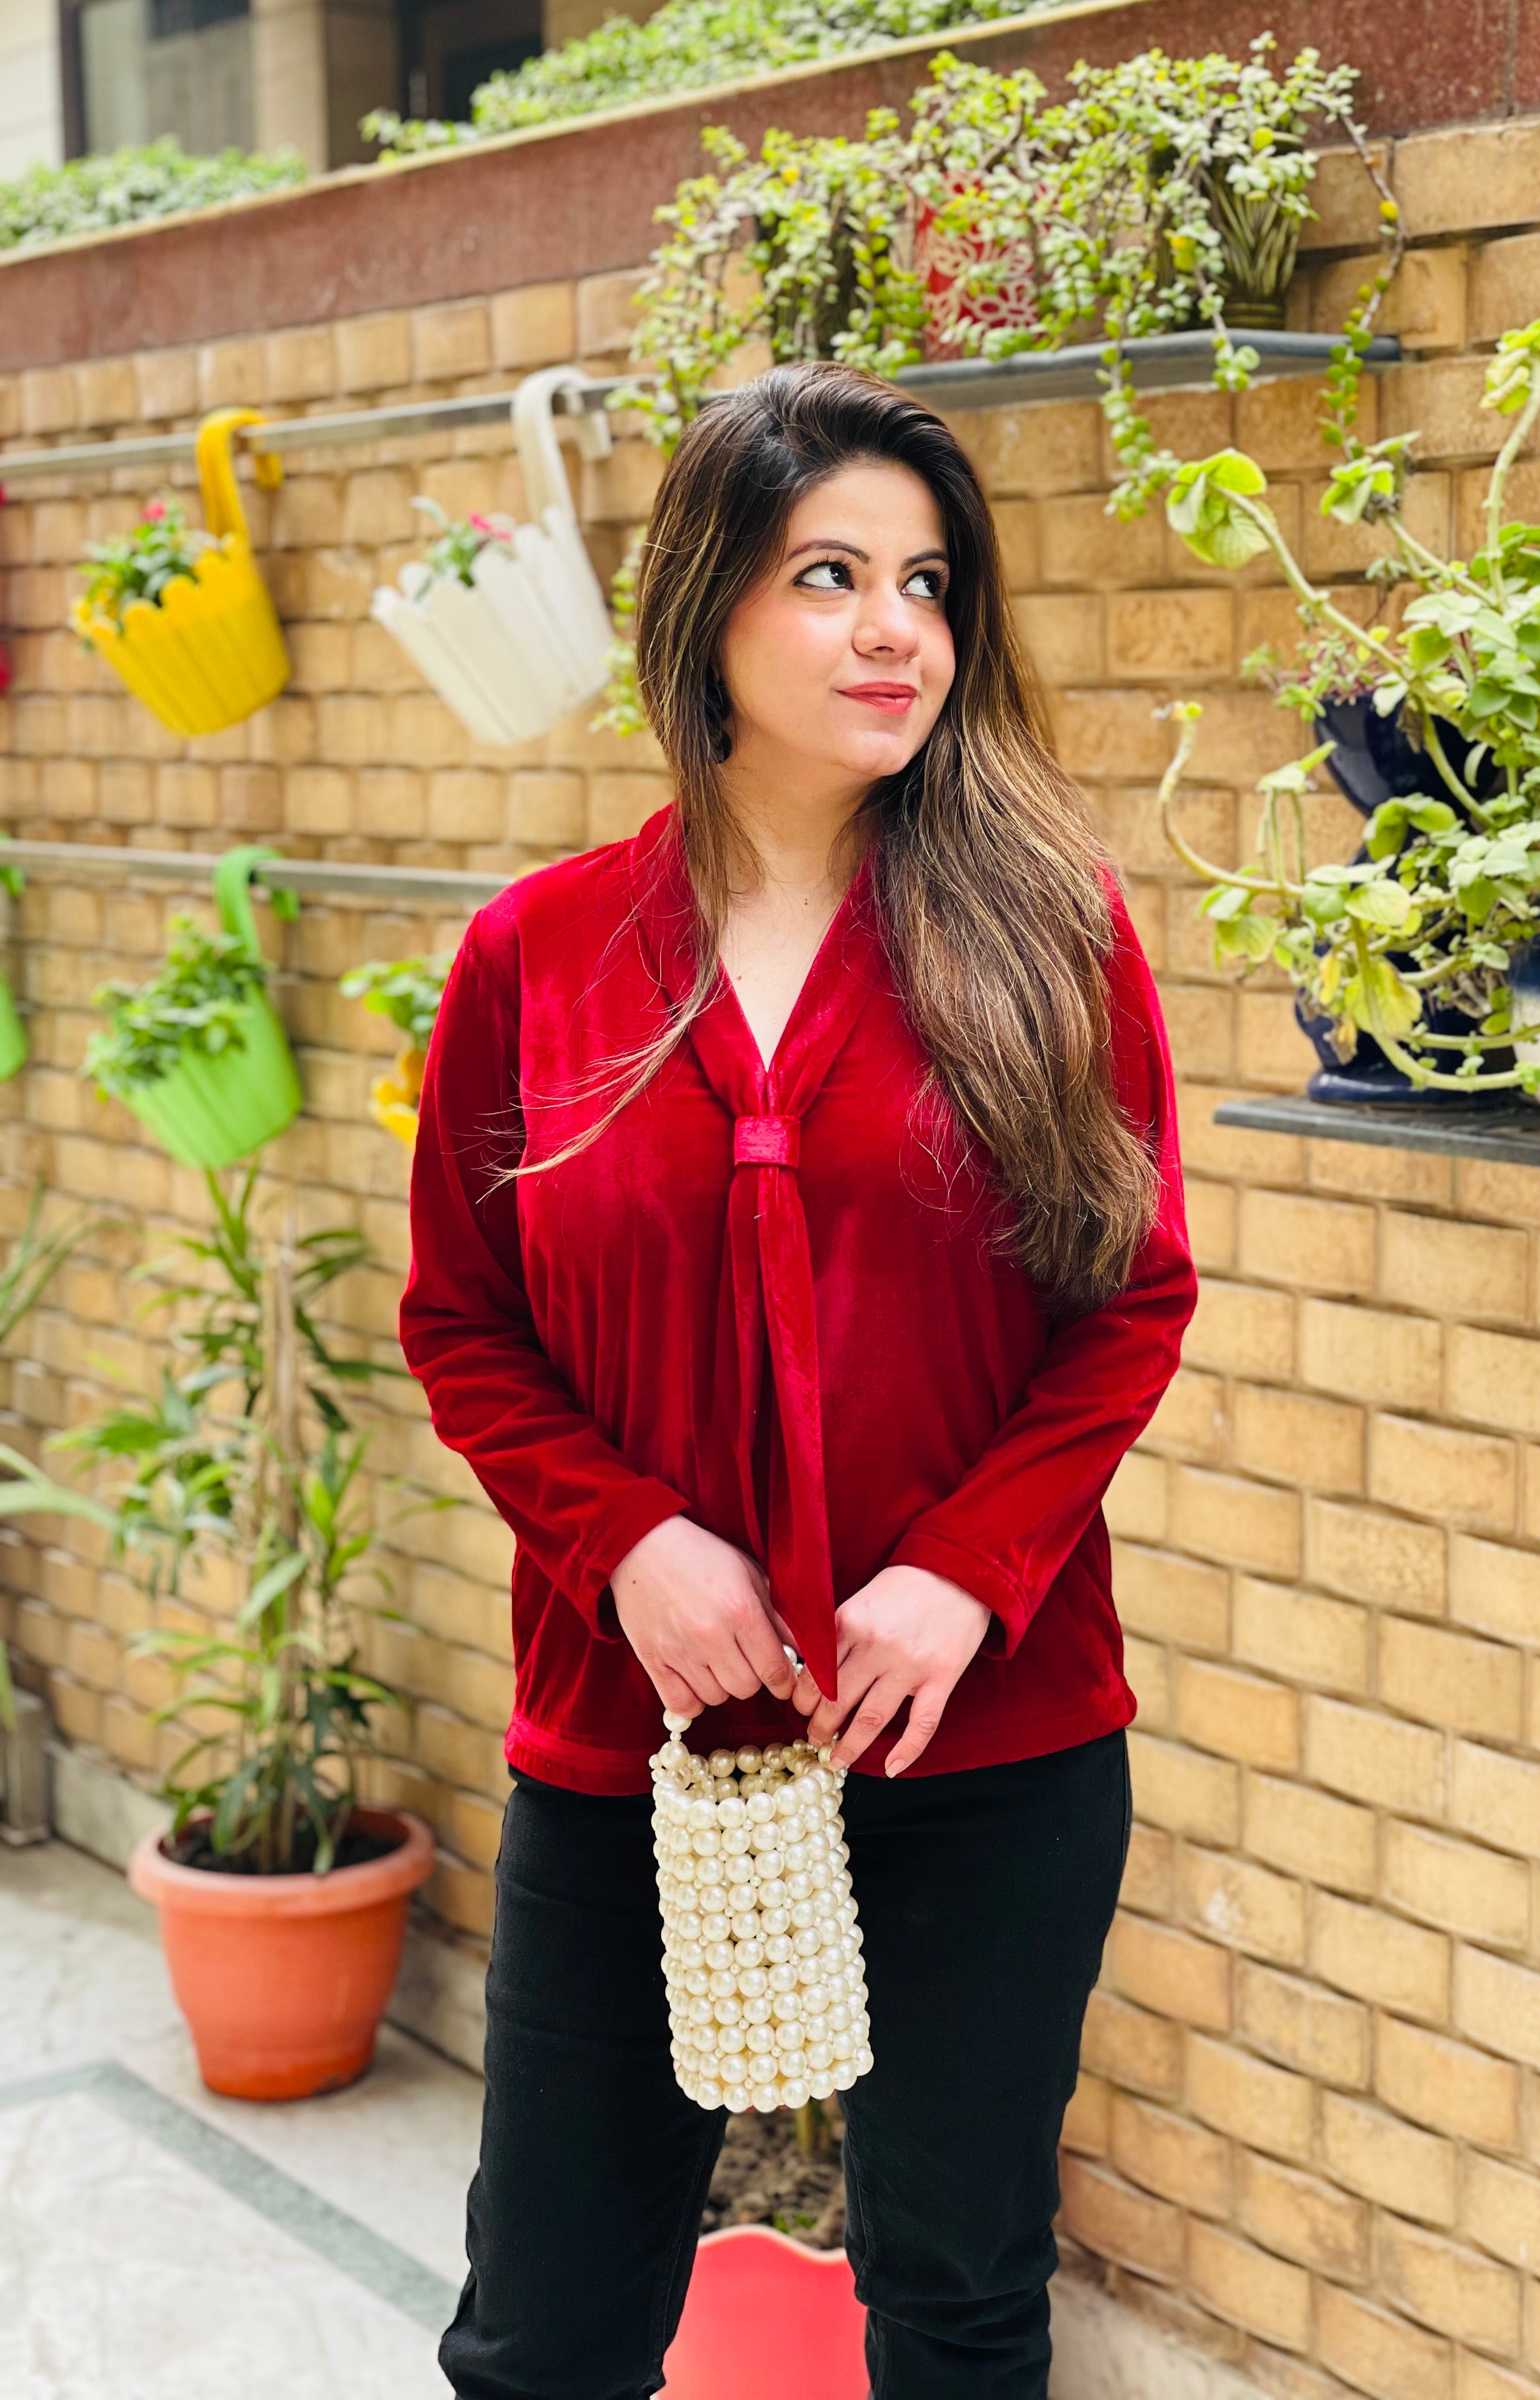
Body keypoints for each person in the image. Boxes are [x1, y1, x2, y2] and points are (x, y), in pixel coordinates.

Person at [400, 360, 1197, 2400]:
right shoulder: (537, 956)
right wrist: (629, 1545)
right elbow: (463, 1322)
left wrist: (961, 1575)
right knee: (548, 2326)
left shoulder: (1047, 936)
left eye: (929, 584)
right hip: (636, 1739)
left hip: (986, 1735)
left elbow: (1131, 1300)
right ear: (704, 612)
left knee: (955, 2296)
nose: (891, 629)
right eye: (827, 572)